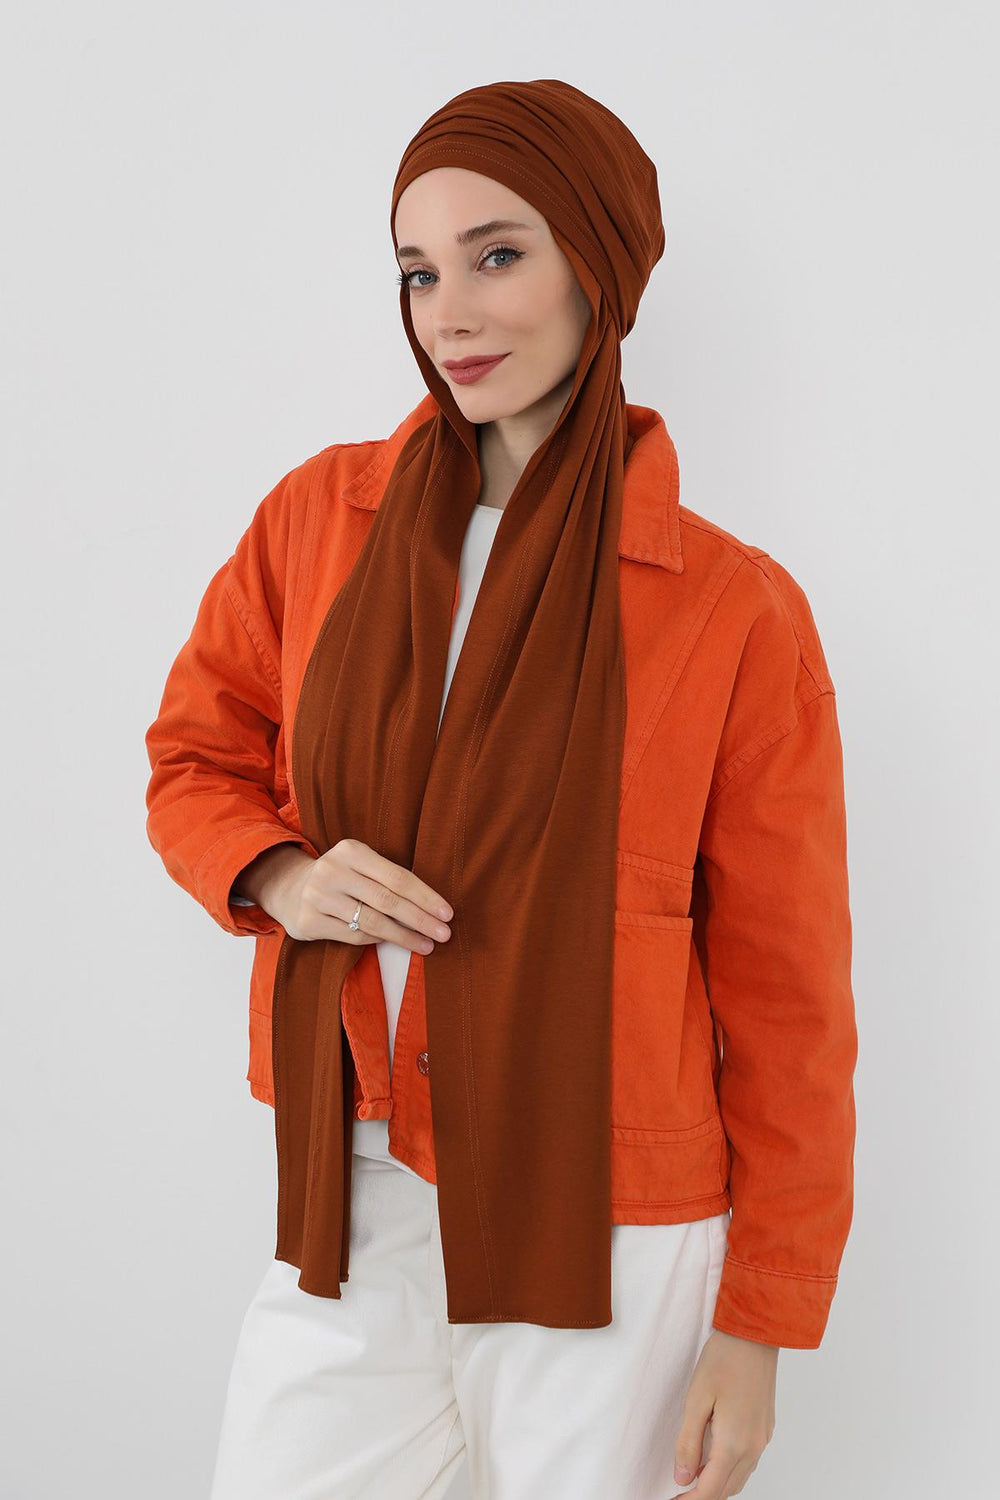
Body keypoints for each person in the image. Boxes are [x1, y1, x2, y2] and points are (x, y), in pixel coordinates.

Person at [144, 79, 857, 1500]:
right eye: (418, 270)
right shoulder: (320, 518)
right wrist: (281, 874)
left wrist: (761, 1324)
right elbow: (194, 759)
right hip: (354, 1189)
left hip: (610, 1216)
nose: (449, 312)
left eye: (498, 255)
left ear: (598, 269)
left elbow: (789, 997)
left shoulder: (733, 608)